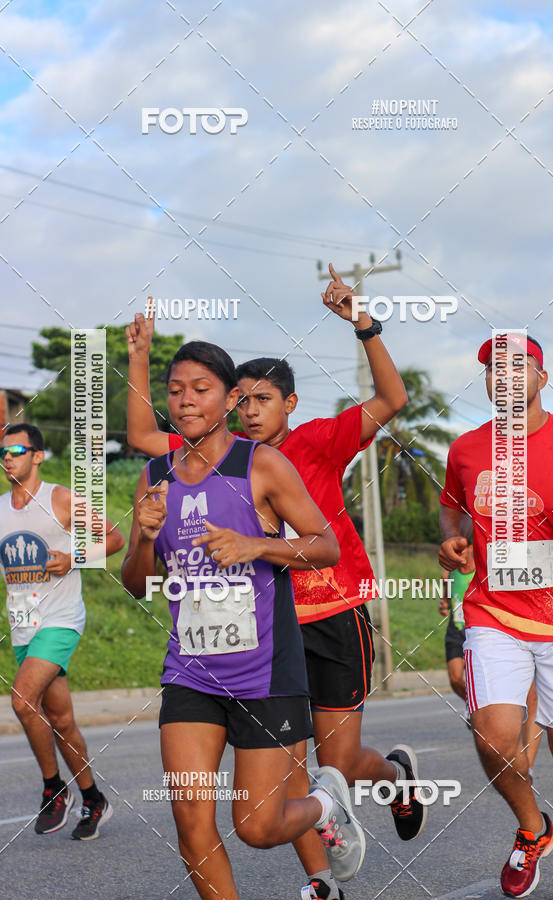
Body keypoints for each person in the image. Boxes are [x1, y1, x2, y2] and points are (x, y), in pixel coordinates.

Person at [125, 265, 427, 900]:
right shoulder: (171, 468)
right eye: (243, 397)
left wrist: (364, 324)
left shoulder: (305, 447)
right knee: (217, 807)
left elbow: (392, 403)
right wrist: (145, 534)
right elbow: (138, 562)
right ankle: (322, 879)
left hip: (316, 624)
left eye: (261, 398)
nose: (249, 408)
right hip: (203, 660)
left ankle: (381, 783)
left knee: (315, 779)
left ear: (285, 404)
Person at [121, 340, 366, 900]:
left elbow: (324, 547)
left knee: (256, 827)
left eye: (200, 391)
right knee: (190, 820)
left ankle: (327, 798)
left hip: (265, 673)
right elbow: (137, 583)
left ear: (229, 399)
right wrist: (145, 538)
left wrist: (257, 546)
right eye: (176, 391)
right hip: (190, 672)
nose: (185, 402)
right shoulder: (156, 476)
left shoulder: (263, 465)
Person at [439, 334, 553, 900]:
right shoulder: (464, 451)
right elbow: (451, 512)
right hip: (494, 613)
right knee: (492, 736)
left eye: (518, 366)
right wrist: (450, 545)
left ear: (542, 377)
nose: (504, 376)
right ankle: (534, 828)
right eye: (492, 369)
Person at [0, 424, 125, 839]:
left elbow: (114, 537)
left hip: (61, 618)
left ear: (37, 456)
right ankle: (93, 798)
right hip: (23, 624)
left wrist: (73, 556)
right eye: (2, 453)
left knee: (21, 701)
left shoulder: (62, 499)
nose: (7, 458)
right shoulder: (1, 509)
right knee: (61, 719)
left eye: (16, 450)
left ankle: (54, 789)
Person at [439, 547, 542, 774]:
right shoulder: (449, 573)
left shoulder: (489, 563)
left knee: (531, 695)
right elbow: (444, 600)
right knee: (457, 678)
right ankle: (475, 705)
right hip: (458, 628)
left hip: (506, 625)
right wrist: (444, 604)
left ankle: (528, 768)